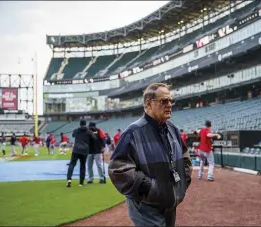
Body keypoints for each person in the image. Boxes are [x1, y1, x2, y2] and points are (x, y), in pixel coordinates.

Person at [108, 83, 192, 227]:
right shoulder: (133, 132)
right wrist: (150, 188)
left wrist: (182, 182)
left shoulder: (172, 129)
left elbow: (185, 157)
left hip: (170, 203)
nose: (170, 105)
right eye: (164, 101)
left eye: (171, 101)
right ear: (148, 104)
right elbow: (118, 169)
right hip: (146, 207)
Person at [66, 120, 96, 187]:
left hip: (76, 149)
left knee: (72, 164)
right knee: (83, 166)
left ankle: (69, 179)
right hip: (84, 150)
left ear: (80, 124)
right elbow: (94, 138)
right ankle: (81, 182)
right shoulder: (89, 131)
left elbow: (73, 135)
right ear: (86, 124)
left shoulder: (76, 130)